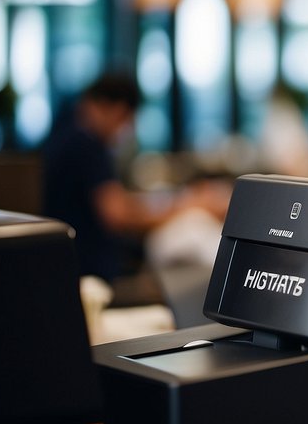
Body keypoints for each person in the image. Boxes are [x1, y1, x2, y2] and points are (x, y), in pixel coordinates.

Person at [41, 71, 228, 282]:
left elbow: (112, 200)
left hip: (73, 263)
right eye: (125, 120)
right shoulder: (84, 144)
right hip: (90, 271)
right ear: (114, 109)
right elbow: (118, 214)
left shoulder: (65, 133)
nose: (124, 130)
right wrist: (188, 206)